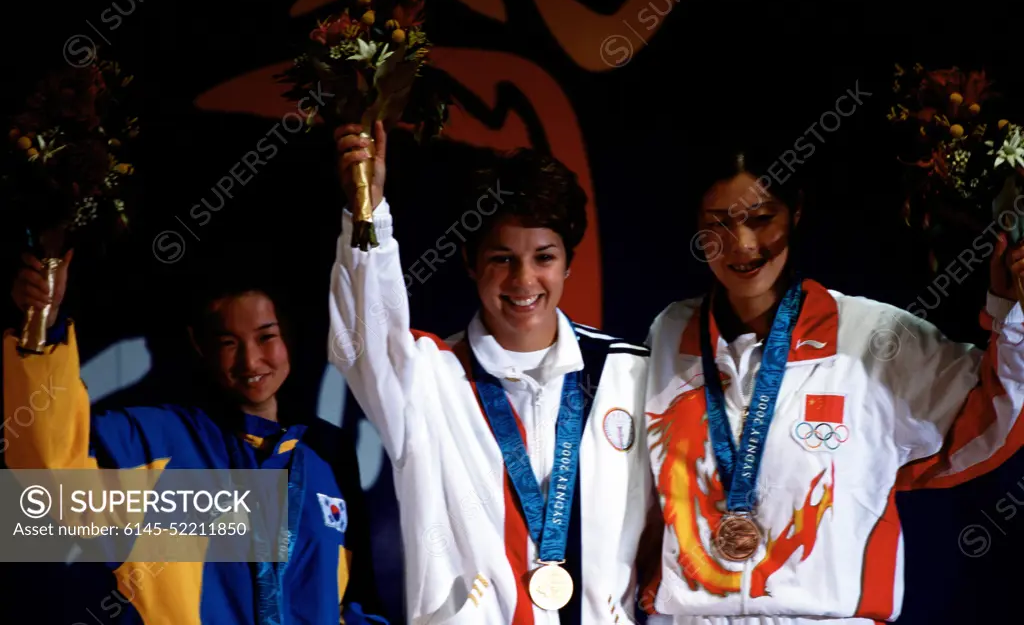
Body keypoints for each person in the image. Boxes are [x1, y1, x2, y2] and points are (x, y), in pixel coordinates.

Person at [639, 137, 1024, 624]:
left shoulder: (874, 339)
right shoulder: (669, 335)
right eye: (718, 222)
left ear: (795, 213)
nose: (742, 244)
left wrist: (1013, 315)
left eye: (761, 218)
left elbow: (991, 416)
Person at [328, 122, 657, 623]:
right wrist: (367, 215)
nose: (524, 280)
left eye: (543, 257)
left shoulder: (629, 372)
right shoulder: (428, 380)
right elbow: (362, 340)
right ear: (469, 261)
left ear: (568, 262)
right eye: (502, 259)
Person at [5, 256, 388, 625]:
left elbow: (354, 600)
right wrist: (41, 331)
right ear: (200, 345)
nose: (250, 361)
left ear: (290, 335)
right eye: (228, 343)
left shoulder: (326, 453)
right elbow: (53, 472)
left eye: (266, 337)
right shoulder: (153, 442)